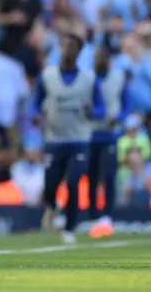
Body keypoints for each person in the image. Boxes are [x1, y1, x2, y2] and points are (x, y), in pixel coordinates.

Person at [35, 32, 105, 244]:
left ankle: (69, 226)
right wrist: (35, 115)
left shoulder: (89, 78)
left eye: (71, 46)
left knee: (74, 182)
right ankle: (53, 207)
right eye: (64, 45)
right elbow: (35, 102)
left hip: (79, 140)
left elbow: (101, 109)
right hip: (54, 139)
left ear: (79, 51)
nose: (67, 50)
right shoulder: (47, 75)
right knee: (50, 186)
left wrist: (91, 111)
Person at [88, 46, 129, 238]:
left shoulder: (118, 78)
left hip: (110, 133)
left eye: (102, 57)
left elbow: (126, 104)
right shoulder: (87, 78)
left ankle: (108, 216)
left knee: (109, 176)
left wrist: (119, 117)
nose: (99, 61)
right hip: (90, 133)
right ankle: (93, 215)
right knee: (92, 176)